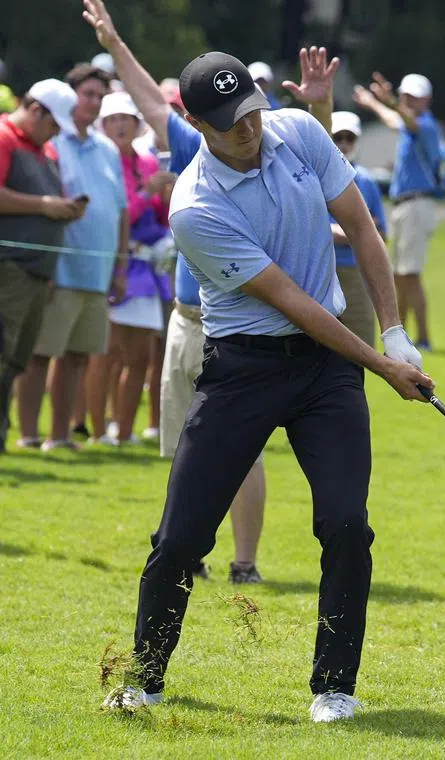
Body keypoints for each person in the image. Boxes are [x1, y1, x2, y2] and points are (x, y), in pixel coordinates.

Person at [97, 50, 432, 724]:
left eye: (250, 111)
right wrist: (380, 365)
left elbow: (363, 227)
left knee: (345, 524)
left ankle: (335, 686)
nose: (247, 130)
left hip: (324, 373)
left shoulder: (299, 131)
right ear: (199, 124)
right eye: (229, 124)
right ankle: (144, 677)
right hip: (243, 369)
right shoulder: (195, 206)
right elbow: (290, 301)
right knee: (183, 536)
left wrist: (395, 332)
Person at [83, 0, 338, 583]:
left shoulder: (279, 144)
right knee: (187, 451)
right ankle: (190, 553)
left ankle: (242, 560)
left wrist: (320, 105)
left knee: (239, 452)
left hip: (242, 329)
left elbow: (318, 170)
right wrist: (115, 43)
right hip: (187, 318)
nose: (242, 125)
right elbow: (150, 97)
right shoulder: (192, 145)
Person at [16, 63, 128, 452]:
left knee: (79, 357)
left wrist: (121, 265)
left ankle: (60, 435)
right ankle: (30, 435)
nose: (95, 103)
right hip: (59, 269)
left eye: (100, 96)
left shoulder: (108, 149)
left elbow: (121, 210)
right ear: (70, 95)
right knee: (41, 354)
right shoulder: (52, 142)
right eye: (88, 94)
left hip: (96, 272)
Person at [0, 80, 84, 454]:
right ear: (36, 110)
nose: (55, 132)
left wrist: (61, 209)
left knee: (15, 359)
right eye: (53, 123)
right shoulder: (4, 137)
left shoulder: (44, 148)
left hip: (36, 272)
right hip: (10, 268)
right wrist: (43, 205)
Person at [87, 91, 175, 446]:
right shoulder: (103, 161)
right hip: (115, 263)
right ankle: (98, 431)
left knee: (141, 355)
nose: (121, 125)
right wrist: (145, 194)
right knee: (108, 354)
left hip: (147, 267)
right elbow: (121, 215)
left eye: (128, 118)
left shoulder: (148, 162)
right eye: (114, 118)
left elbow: (159, 217)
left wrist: (164, 198)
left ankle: (124, 432)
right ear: (104, 124)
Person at [353, 71, 442, 351]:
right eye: (405, 96)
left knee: (410, 273)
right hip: (405, 205)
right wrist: (372, 103)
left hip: (418, 204)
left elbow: (405, 119)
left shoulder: (426, 125)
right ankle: (402, 333)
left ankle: (424, 338)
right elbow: (395, 119)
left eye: (413, 97)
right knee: (400, 274)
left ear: (426, 100)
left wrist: (390, 101)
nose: (408, 101)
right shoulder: (408, 125)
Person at [330, 110, 387, 346]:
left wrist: (344, 232)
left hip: (357, 271)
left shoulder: (366, 181)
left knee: (362, 342)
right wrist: (355, 230)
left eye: (349, 138)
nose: (343, 144)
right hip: (324, 270)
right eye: (338, 137)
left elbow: (381, 233)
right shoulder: (313, 177)